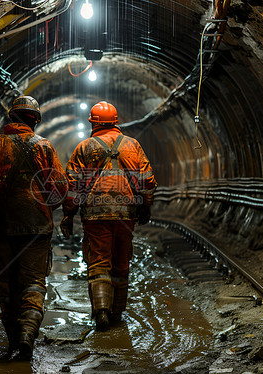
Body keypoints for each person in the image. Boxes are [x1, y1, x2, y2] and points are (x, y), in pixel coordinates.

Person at [0, 95, 68, 357]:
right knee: (34, 281)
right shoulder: (44, 147)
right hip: (37, 226)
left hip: (3, 224)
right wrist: (46, 209)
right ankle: (27, 334)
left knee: (7, 282)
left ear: (11, 118)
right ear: (35, 120)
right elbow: (60, 187)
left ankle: (13, 339)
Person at [60, 101, 157, 331]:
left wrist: (68, 214)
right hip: (126, 213)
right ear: (116, 122)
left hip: (95, 213)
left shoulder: (84, 147)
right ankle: (117, 312)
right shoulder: (132, 145)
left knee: (99, 260)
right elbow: (148, 180)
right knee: (121, 262)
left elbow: (72, 185)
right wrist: (145, 205)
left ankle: (101, 310)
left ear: (92, 123)